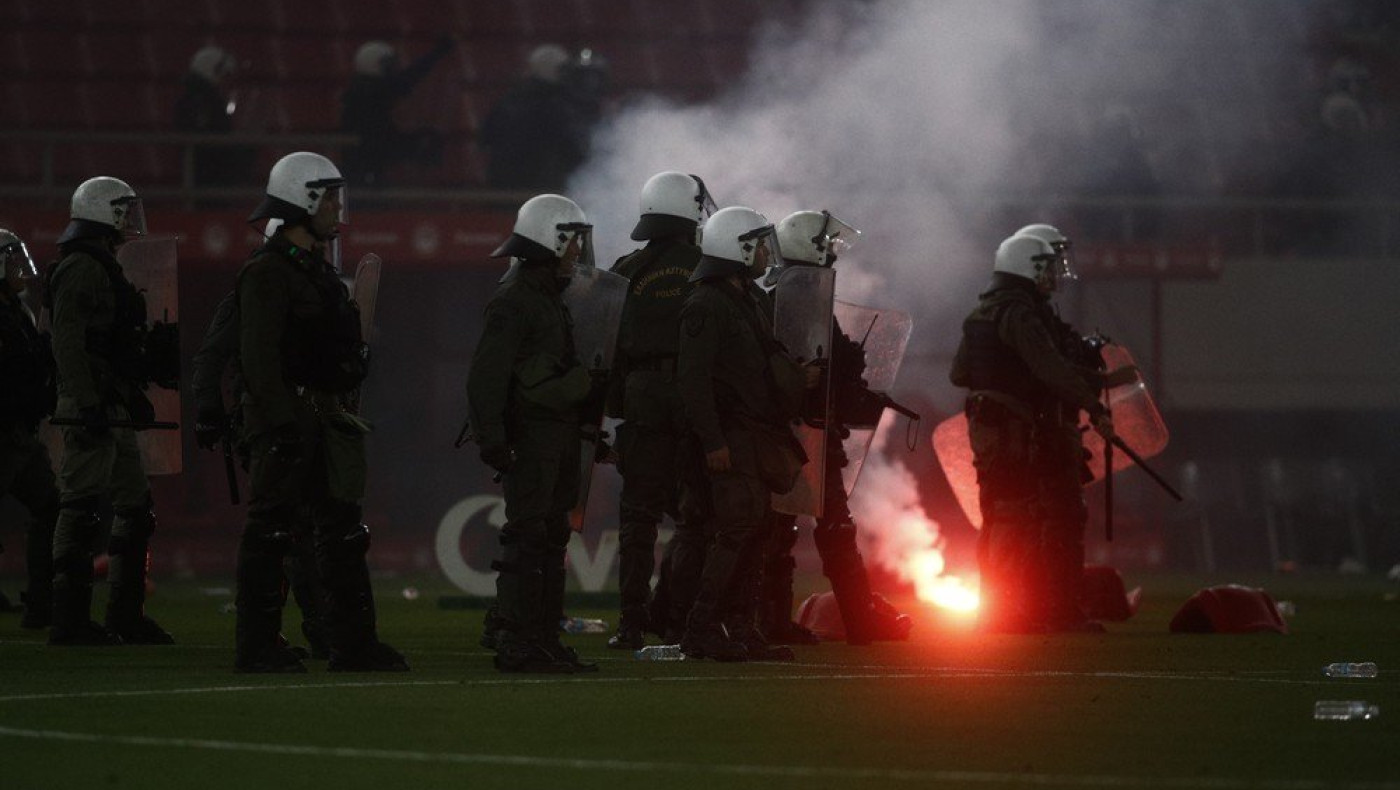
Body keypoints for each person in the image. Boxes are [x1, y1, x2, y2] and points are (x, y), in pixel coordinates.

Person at [233, 151, 406, 673]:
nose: (337, 207)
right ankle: (258, 645)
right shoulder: (267, 273)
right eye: (328, 196)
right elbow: (258, 359)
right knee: (272, 532)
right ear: (302, 199)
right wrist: (282, 424)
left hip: (326, 418)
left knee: (343, 534)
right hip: (289, 420)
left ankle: (353, 644)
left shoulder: (320, 273)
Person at [949, 224, 1134, 633]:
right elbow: (1048, 368)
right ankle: (1041, 612)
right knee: (1034, 519)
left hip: (994, 432)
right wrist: (1091, 398)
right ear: (1025, 266)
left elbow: (959, 372)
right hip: (1016, 432)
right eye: (1046, 266)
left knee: (1005, 519)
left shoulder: (985, 312)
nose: (1053, 275)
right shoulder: (1020, 313)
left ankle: (1006, 611)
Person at [758, 210, 912, 646]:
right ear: (813, 248)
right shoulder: (802, 303)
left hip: (795, 436)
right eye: (828, 247)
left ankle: (771, 621)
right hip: (804, 436)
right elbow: (836, 363)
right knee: (832, 534)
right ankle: (860, 623)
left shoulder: (785, 299)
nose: (834, 256)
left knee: (778, 532)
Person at [673, 205, 816, 661]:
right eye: (756, 244)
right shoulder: (705, 304)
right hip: (731, 436)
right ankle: (701, 628)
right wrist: (712, 441)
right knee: (736, 530)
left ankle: (741, 629)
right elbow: (693, 381)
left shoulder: (748, 297)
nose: (763, 254)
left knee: (754, 531)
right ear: (737, 248)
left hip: (756, 433)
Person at [466, 193, 600, 674]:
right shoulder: (516, 300)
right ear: (553, 239)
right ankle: (520, 640)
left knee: (550, 536)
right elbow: (486, 376)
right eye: (572, 242)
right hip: (533, 437)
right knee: (529, 536)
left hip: (555, 436)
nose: (578, 253)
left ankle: (540, 637)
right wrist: (492, 439)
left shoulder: (546, 296)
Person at [191, 219, 329, 660]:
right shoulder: (254, 290)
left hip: (303, 420)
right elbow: (213, 354)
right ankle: (292, 630)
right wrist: (210, 410)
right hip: (272, 424)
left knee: (302, 527)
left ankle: (313, 628)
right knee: (289, 528)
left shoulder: (308, 291)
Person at [45, 177, 173, 646]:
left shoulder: (102, 265)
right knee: (79, 506)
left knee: (135, 508)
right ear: (101, 213)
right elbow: (69, 341)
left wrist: (127, 395)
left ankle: (125, 614)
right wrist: (89, 401)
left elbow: (107, 346)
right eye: (121, 211)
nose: (127, 220)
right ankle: (70, 619)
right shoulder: (81, 267)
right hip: (89, 402)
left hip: (107, 399)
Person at [602, 171, 712, 650]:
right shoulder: (710, 267)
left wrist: (611, 407)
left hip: (641, 397)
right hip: (694, 398)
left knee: (639, 517)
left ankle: (630, 622)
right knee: (696, 515)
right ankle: (678, 617)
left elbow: (604, 346)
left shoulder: (625, 270)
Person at [0, 230, 57, 630]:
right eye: (11, 259)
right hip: (3, 426)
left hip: (18, 426)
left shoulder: (15, 310)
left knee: (50, 504)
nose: (21, 267)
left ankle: (41, 599)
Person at [340, 37, 454, 187]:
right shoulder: (371, 90)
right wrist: (437, 53)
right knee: (426, 140)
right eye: (388, 64)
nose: (393, 69)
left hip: (376, 143)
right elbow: (409, 78)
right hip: (371, 147)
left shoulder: (362, 87)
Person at [479, 45, 589, 191]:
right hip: (542, 192)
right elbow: (574, 152)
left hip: (500, 187)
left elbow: (484, 139)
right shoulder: (558, 106)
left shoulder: (508, 100)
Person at [173, 45, 256, 187]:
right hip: (208, 175)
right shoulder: (203, 101)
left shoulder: (197, 98)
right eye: (224, 75)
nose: (225, 81)